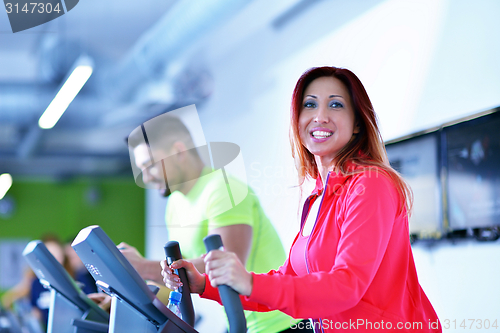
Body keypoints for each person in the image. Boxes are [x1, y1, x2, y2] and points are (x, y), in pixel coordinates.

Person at [161, 66, 442, 333]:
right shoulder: (319, 197)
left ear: (357, 123)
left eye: (335, 104)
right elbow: (288, 278)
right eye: (309, 104)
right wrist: (205, 284)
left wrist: (247, 280)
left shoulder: (370, 184)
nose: (320, 116)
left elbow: (348, 285)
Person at [119, 114, 309, 333]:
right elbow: (181, 281)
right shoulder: (175, 204)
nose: (146, 178)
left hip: (281, 324)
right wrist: (124, 295)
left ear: (179, 152)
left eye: (149, 165)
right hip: (238, 324)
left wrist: (143, 267)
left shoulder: (223, 190)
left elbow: (226, 264)